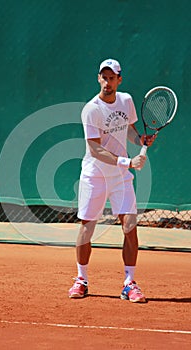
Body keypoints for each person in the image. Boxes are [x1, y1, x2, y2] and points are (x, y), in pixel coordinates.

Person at [68, 58, 156, 302]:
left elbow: (127, 128)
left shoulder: (126, 101)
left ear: (119, 79)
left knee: (129, 226)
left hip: (120, 178)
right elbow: (95, 150)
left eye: (111, 77)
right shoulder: (91, 109)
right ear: (98, 78)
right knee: (87, 227)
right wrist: (128, 162)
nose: (107, 82)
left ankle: (129, 283)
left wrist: (140, 140)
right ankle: (81, 279)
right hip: (94, 176)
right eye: (103, 77)